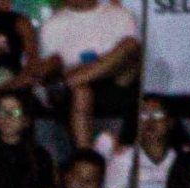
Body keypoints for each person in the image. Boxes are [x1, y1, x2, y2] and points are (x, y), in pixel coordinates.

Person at [38, 0, 140, 149]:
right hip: (76, 88)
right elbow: (50, 67)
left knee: (130, 46)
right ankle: (86, 158)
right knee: (81, 91)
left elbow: (130, 55)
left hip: (116, 82)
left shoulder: (120, 15)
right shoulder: (52, 25)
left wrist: (96, 67)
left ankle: (66, 83)